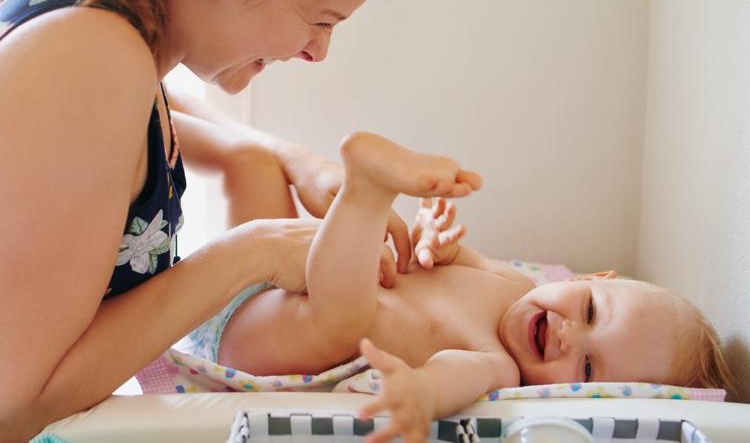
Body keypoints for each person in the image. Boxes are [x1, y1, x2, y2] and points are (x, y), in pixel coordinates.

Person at [0, 0, 406, 440]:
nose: (317, 52)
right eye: (320, 19)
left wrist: (289, 156)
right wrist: (254, 253)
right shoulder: (93, 57)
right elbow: (15, 405)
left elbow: (114, 133)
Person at [185, 131, 734, 443]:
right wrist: (434, 242)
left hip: (263, 339)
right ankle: (149, 115)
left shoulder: (498, 366)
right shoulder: (514, 281)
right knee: (252, 163)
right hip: (267, 276)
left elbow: (452, 380)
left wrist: (420, 394)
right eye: (589, 310)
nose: (568, 335)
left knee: (343, 319)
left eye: (587, 368)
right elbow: (443, 262)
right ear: (592, 279)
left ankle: (367, 192)